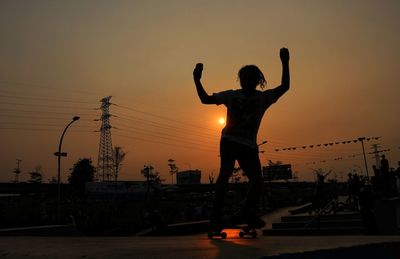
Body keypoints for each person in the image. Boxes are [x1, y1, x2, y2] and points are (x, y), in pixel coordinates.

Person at [193, 48, 290, 232]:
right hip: (229, 140)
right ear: (240, 79)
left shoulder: (264, 98)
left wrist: (285, 62)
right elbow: (205, 99)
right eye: (244, 78)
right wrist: (197, 79)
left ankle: (246, 211)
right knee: (225, 173)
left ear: (257, 81)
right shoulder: (231, 95)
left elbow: (285, 87)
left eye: (251, 79)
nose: (247, 81)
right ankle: (216, 215)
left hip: (249, 146)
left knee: (257, 181)